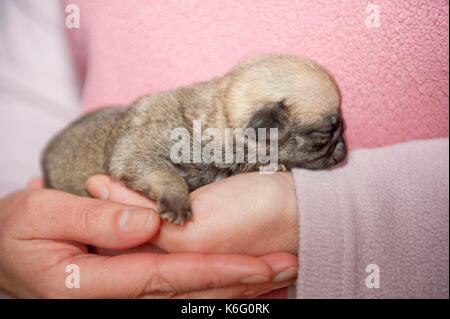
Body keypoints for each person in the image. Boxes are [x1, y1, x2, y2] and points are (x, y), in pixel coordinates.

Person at [0, 0, 448, 298]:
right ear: (264, 127)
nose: (338, 148)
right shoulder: (177, 122)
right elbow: (128, 156)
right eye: (319, 137)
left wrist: (321, 214)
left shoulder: (248, 136)